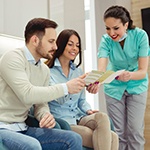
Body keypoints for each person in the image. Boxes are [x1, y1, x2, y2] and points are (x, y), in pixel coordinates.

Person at [0, 18, 86, 150]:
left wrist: (44, 115)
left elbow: (41, 103)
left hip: (23, 127)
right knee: (33, 146)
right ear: (35, 40)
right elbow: (27, 94)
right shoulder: (12, 58)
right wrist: (66, 87)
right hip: (3, 127)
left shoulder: (44, 69)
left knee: (73, 138)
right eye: (51, 41)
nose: (55, 47)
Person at [46, 29, 119, 150]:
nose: (75, 48)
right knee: (112, 137)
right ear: (60, 44)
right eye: (70, 44)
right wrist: (72, 86)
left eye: (77, 45)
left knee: (102, 117)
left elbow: (81, 101)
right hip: (62, 121)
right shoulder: (48, 72)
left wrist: (88, 110)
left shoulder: (78, 71)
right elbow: (58, 99)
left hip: (78, 117)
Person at [97, 5, 150, 150]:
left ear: (126, 24)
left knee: (135, 131)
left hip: (137, 85)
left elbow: (142, 71)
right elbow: (101, 67)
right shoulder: (106, 40)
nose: (111, 33)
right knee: (118, 133)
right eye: (107, 28)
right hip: (113, 87)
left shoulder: (140, 36)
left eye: (116, 28)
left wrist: (129, 75)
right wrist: (96, 80)